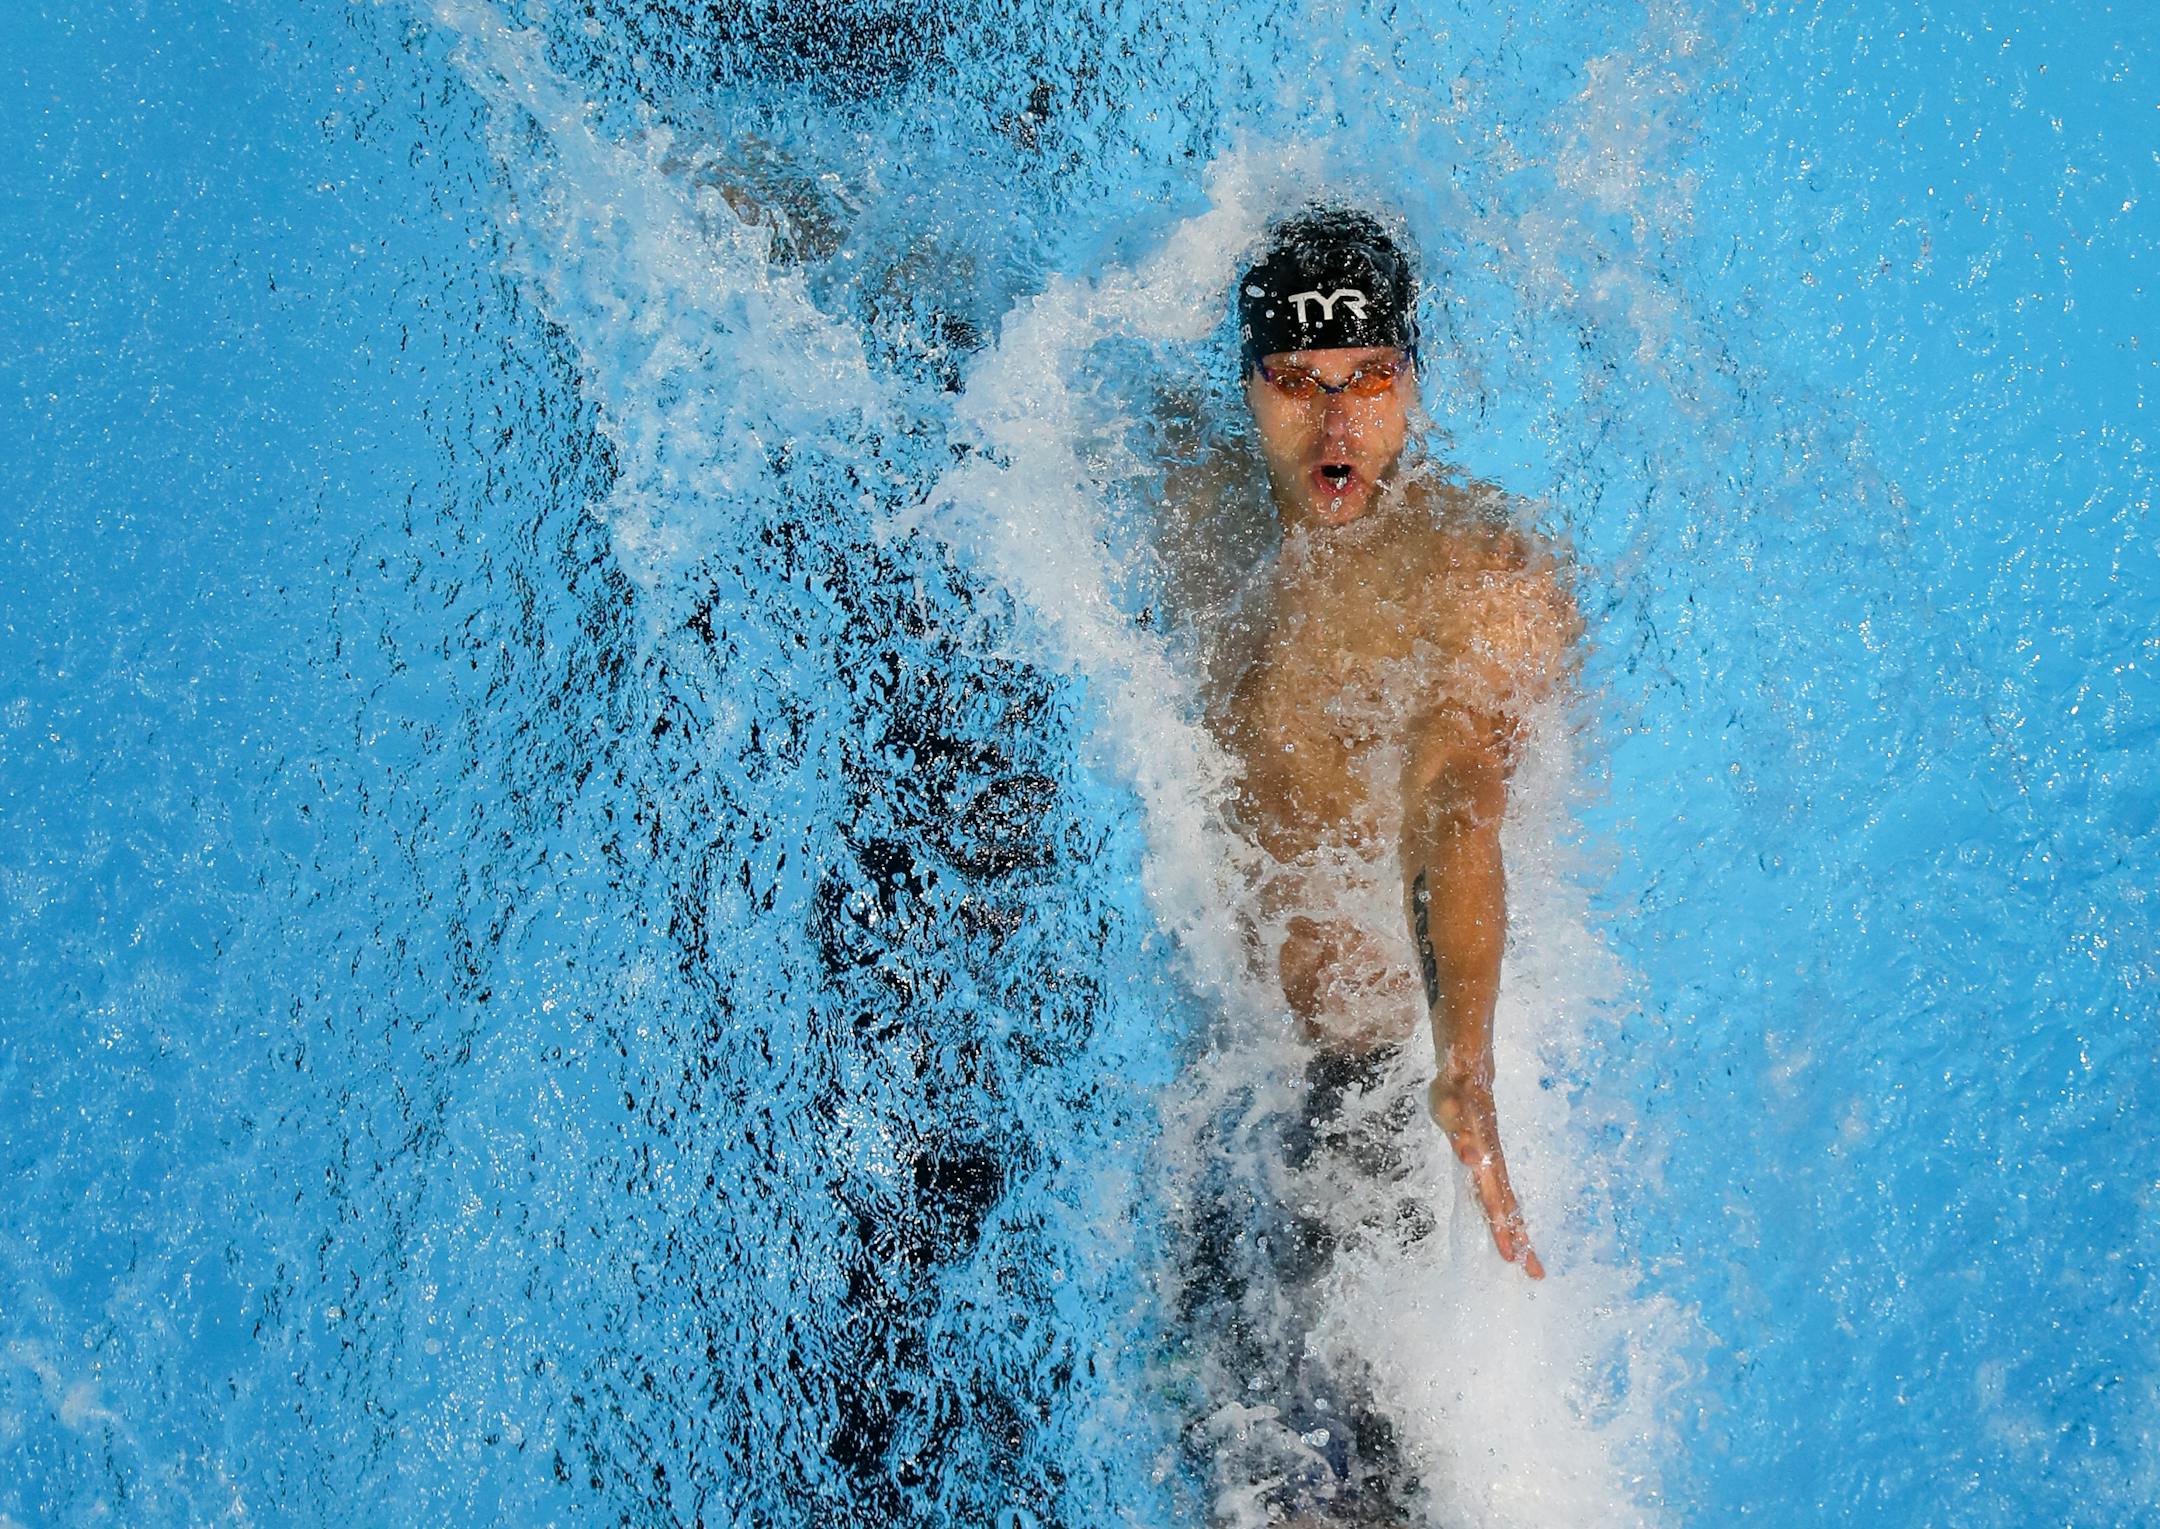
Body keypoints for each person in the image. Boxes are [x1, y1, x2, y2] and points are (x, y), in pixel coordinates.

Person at [1174, 205, 1580, 1284]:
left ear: (1414, 382)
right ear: (1250, 386)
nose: (1338, 423)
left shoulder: (1478, 575)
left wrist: (1465, 1059)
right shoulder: (1193, 503)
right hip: (1226, 1071)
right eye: (1300, 381)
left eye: (1369, 377)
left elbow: (1454, 795)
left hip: (1393, 1090)